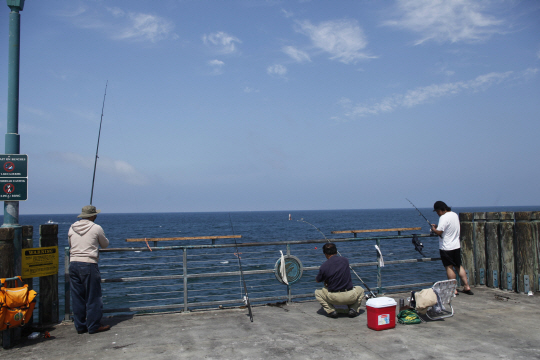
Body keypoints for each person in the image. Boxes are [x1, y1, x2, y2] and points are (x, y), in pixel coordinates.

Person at [68, 205, 111, 334]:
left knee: (77, 297)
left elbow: (70, 244)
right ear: (92, 216)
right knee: (93, 297)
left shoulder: (72, 227)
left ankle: (80, 326)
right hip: (88, 264)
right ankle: (93, 326)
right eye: (95, 214)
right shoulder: (96, 228)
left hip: (73, 263)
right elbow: (105, 244)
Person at [430, 201, 474, 295]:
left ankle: (454, 289)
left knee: (449, 267)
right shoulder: (454, 215)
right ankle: (466, 286)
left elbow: (439, 232)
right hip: (456, 245)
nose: (437, 213)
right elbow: (448, 228)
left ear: (442, 210)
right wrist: (438, 228)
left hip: (446, 247)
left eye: (437, 211)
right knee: (459, 266)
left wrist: (434, 229)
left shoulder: (443, 217)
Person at [314, 243, 365, 318]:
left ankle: (331, 311)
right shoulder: (345, 261)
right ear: (336, 251)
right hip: (350, 296)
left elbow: (318, 280)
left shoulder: (324, 266)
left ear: (325, 254)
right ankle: (353, 309)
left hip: (334, 298)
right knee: (360, 289)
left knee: (317, 292)